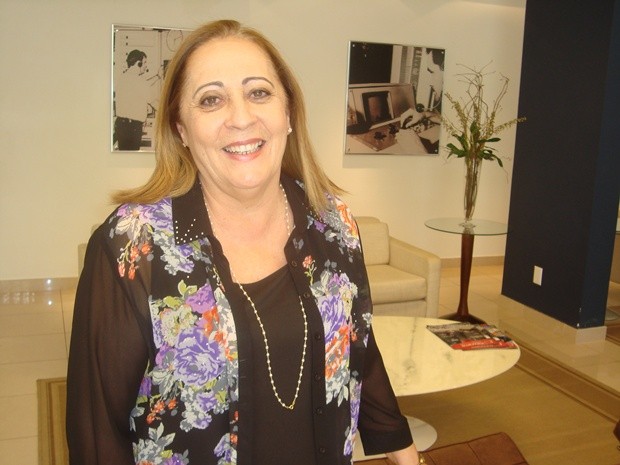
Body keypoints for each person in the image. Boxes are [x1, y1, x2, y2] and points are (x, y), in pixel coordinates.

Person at [67, 19, 421, 465]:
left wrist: (406, 453)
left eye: (258, 92)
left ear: (287, 113)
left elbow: (358, 349)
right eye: (211, 99)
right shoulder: (132, 246)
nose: (240, 117)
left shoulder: (334, 224)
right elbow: (97, 430)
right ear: (181, 129)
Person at [114, 49, 151, 150]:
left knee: (124, 156)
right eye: (144, 62)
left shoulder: (121, 79)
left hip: (121, 125)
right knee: (133, 156)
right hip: (133, 128)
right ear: (138, 63)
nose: (146, 66)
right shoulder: (141, 82)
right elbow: (153, 101)